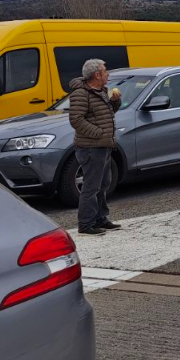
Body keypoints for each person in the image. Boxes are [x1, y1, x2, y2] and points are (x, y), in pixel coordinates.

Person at [69, 58, 123, 235]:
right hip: (91, 147)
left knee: (103, 183)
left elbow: (104, 115)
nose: (108, 74)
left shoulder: (100, 91)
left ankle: (101, 218)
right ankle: (85, 224)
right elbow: (76, 120)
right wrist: (99, 133)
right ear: (97, 74)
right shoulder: (81, 94)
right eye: (105, 71)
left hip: (103, 146)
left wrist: (115, 102)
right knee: (91, 186)